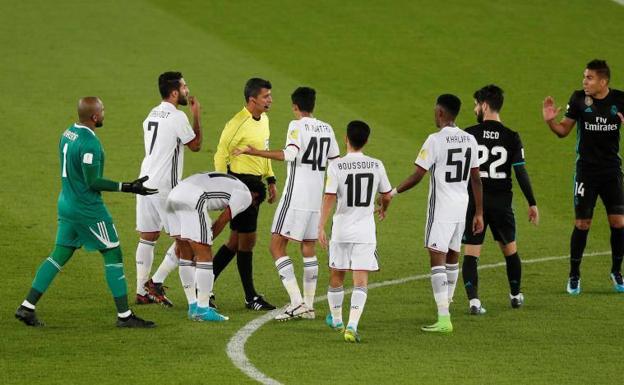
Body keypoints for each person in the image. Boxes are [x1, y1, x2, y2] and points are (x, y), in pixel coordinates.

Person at [15, 97, 157, 328]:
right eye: (102, 110)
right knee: (113, 253)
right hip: (87, 209)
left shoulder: (67, 133)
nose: (104, 113)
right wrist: (128, 187)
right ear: (94, 116)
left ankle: (27, 307)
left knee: (59, 254)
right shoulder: (90, 144)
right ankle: (125, 316)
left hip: (67, 202)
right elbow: (93, 181)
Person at [232, 87, 339, 321]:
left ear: (295, 107)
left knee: (276, 247)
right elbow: (335, 163)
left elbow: (289, 154)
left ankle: (297, 302)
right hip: (315, 199)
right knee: (308, 248)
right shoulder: (327, 129)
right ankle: (309, 307)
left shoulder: (296, 125)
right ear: (313, 105)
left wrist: (254, 152)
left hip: (295, 196)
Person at [391, 94, 483, 333]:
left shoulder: (435, 140)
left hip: (441, 207)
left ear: (441, 113)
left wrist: (392, 192)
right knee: (453, 254)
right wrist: (479, 213)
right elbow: (476, 178)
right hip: (461, 206)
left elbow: (417, 176)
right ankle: (448, 307)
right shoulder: (470, 139)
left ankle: (443, 318)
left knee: (436, 257)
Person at [543, 59, 624, 294]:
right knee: (582, 223)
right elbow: (563, 131)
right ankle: (574, 275)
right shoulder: (579, 99)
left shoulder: (620, 100)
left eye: (589, 78)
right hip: (586, 172)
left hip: (611, 172)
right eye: (584, 77)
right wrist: (550, 121)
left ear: (603, 81)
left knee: (618, 222)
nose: (584, 81)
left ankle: (617, 271)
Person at [462, 85, 539, 315]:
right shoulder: (511, 137)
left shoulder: (470, 135)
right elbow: (521, 172)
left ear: (484, 105)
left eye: (476, 104)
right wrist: (532, 202)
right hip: (502, 203)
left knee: (471, 253)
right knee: (510, 251)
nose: (475, 108)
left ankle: (474, 301)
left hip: (476, 203)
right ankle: (515, 295)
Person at [319, 120, 392, 343]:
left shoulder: (336, 165)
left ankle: (338, 320)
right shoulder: (376, 164)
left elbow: (330, 196)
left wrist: (320, 225)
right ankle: (352, 325)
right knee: (360, 282)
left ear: (346, 139)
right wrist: (383, 208)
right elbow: (387, 194)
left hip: (341, 230)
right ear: (366, 140)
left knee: (336, 275)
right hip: (365, 232)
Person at [135, 71, 202, 307]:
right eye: (184, 87)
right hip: (165, 187)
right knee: (185, 238)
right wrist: (196, 115)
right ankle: (155, 282)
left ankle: (141, 291)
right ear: (174, 92)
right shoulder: (177, 116)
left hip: (143, 182)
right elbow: (195, 145)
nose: (187, 90)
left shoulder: (151, 113)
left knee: (148, 235)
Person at [212, 78, 278, 310]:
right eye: (265, 96)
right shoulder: (237, 123)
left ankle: (204, 285)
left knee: (235, 242)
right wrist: (223, 187)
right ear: (252, 100)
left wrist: (270, 179)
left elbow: (265, 151)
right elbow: (221, 154)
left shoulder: (265, 119)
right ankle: (251, 297)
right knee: (247, 242)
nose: (270, 100)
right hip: (241, 186)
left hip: (256, 186)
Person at [163, 172, 266, 321]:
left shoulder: (230, 182)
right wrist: (205, 242)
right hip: (193, 197)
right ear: (255, 196)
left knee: (185, 253)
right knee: (205, 255)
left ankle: (193, 307)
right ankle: (203, 310)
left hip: (173, 195)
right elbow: (222, 221)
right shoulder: (245, 195)